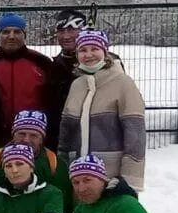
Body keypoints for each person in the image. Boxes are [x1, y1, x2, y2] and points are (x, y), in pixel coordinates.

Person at [58, 29, 146, 190]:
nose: (88, 54)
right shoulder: (76, 85)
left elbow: (135, 136)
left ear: (105, 52)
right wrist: (62, 170)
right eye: (83, 50)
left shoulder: (123, 83)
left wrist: (129, 180)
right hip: (78, 175)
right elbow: (66, 135)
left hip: (112, 175)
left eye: (95, 49)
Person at [0, 12, 63, 144]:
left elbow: (53, 105)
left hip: (32, 139)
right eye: (6, 32)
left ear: (24, 35)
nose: (11, 36)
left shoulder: (43, 64)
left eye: (17, 32)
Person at [0, 110, 65, 194]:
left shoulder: (54, 163)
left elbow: (63, 199)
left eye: (33, 135)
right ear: (13, 135)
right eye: (21, 134)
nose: (26, 140)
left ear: (41, 139)